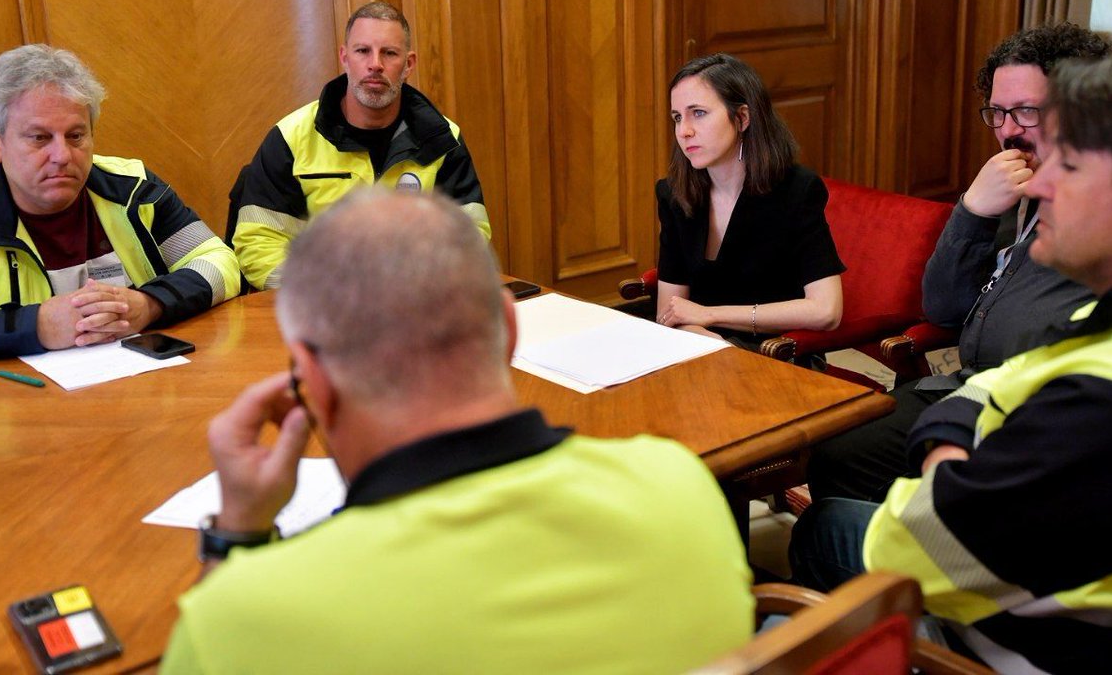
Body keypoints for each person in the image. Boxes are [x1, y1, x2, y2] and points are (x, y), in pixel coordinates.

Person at [162, 189, 754, 673]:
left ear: (310, 380)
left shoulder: (241, 622)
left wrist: (236, 534)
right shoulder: (682, 486)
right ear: (509, 328)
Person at [790, 39, 1112, 673]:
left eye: (1071, 165)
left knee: (826, 534)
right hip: (1055, 566)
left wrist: (946, 437)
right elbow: (1000, 354)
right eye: (999, 114)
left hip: (1041, 648)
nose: (1040, 176)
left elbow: (909, 548)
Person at [807, 24, 1110, 502]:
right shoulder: (1014, 188)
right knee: (838, 445)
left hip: (1030, 418)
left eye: (1027, 111)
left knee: (847, 458)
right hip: (966, 388)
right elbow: (944, 308)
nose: (1009, 130)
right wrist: (973, 210)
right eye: (998, 112)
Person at [0, 44, 239, 361]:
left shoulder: (135, 189)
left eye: (75, 136)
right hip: (16, 402)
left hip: (141, 389)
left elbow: (220, 262)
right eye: (39, 138)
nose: (62, 156)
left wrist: (149, 304)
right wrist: (36, 325)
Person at [232, 1, 491, 290]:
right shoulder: (290, 138)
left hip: (413, 306)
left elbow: (470, 237)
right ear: (344, 57)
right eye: (362, 51)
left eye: (389, 53)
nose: (375, 64)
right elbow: (258, 243)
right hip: (320, 310)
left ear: (409, 64)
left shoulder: (443, 139)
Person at [655, 53, 844, 348]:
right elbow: (669, 312)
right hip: (698, 346)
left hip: (777, 355)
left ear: (742, 118)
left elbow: (827, 310)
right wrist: (709, 342)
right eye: (677, 117)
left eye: (699, 113)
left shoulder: (797, 190)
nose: (684, 131)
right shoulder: (674, 193)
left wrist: (710, 315)